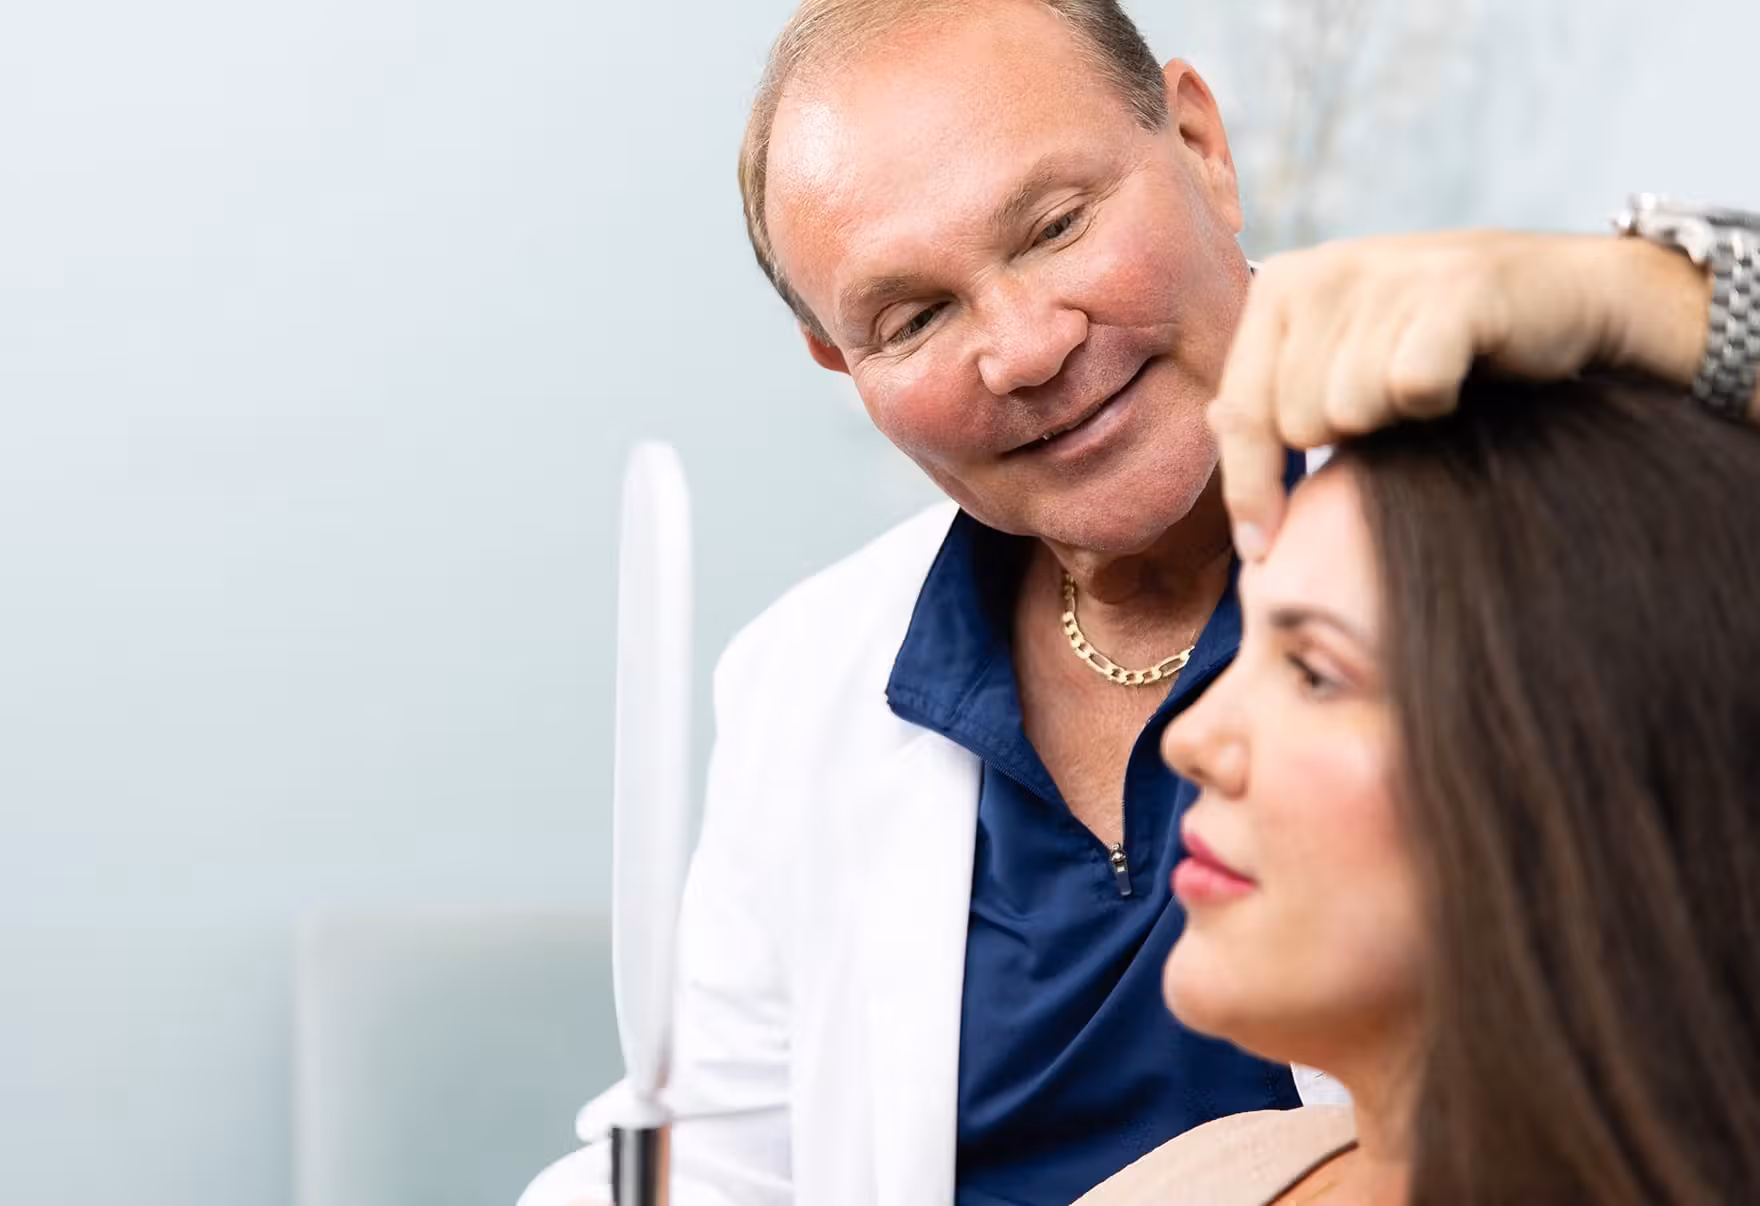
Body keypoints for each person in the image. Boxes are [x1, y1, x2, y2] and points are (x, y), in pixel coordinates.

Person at [518, 0, 1760, 1200]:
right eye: (914, 316)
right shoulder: (806, 680)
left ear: (1202, 149)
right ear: (841, 363)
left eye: (1056, 225)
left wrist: (1648, 295)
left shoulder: (1507, 503)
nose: (1024, 347)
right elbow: (717, 1169)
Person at [1074, 372, 1760, 1205]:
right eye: (1246, 647)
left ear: (1592, 768)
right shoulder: (1199, 1178)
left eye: (1316, 675)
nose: (1188, 741)